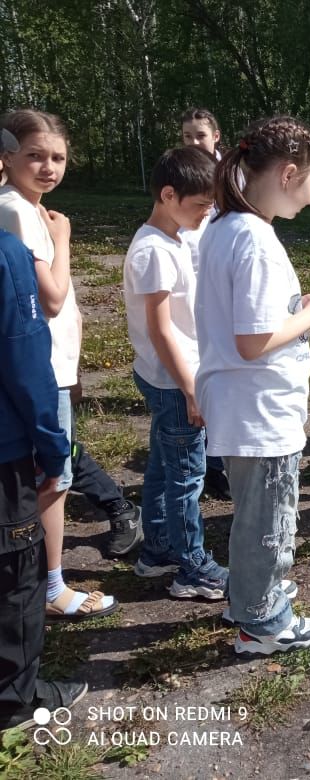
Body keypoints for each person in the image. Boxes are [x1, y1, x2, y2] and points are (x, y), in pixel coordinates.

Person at [195, 116, 310, 655]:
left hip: (242, 404)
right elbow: (254, 341)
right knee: (268, 519)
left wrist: (292, 312)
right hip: (259, 410)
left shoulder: (226, 227)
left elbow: (250, 321)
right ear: (288, 173)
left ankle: (253, 593)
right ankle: (263, 622)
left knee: (256, 512)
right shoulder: (253, 238)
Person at [0, 110, 118, 620]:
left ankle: (44, 580)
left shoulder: (28, 207)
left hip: (53, 366)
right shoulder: (18, 213)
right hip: (40, 369)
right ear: (7, 158)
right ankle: (50, 585)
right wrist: (66, 239)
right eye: (35, 156)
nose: (49, 167)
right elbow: (51, 298)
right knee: (54, 479)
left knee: (52, 474)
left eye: (58, 157)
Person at [124, 146, 229, 600]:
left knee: (164, 468)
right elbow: (162, 331)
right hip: (173, 380)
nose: (207, 214)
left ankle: (158, 550)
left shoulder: (171, 240)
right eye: (200, 204)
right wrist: (191, 390)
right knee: (187, 476)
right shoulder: (155, 251)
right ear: (169, 194)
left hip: (166, 376)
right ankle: (193, 569)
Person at [0, 228, 87, 731]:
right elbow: (25, 359)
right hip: (6, 447)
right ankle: (14, 699)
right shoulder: (7, 253)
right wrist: (54, 447)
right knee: (15, 575)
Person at [179, 107, 232, 501]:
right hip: (189, 274)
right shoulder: (177, 174)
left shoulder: (231, 174)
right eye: (187, 136)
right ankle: (210, 464)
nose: (194, 142)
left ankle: (219, 461)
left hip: (221, 276)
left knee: (222, 372)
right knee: (198, 375)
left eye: (200, 135)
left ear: (216, 136)